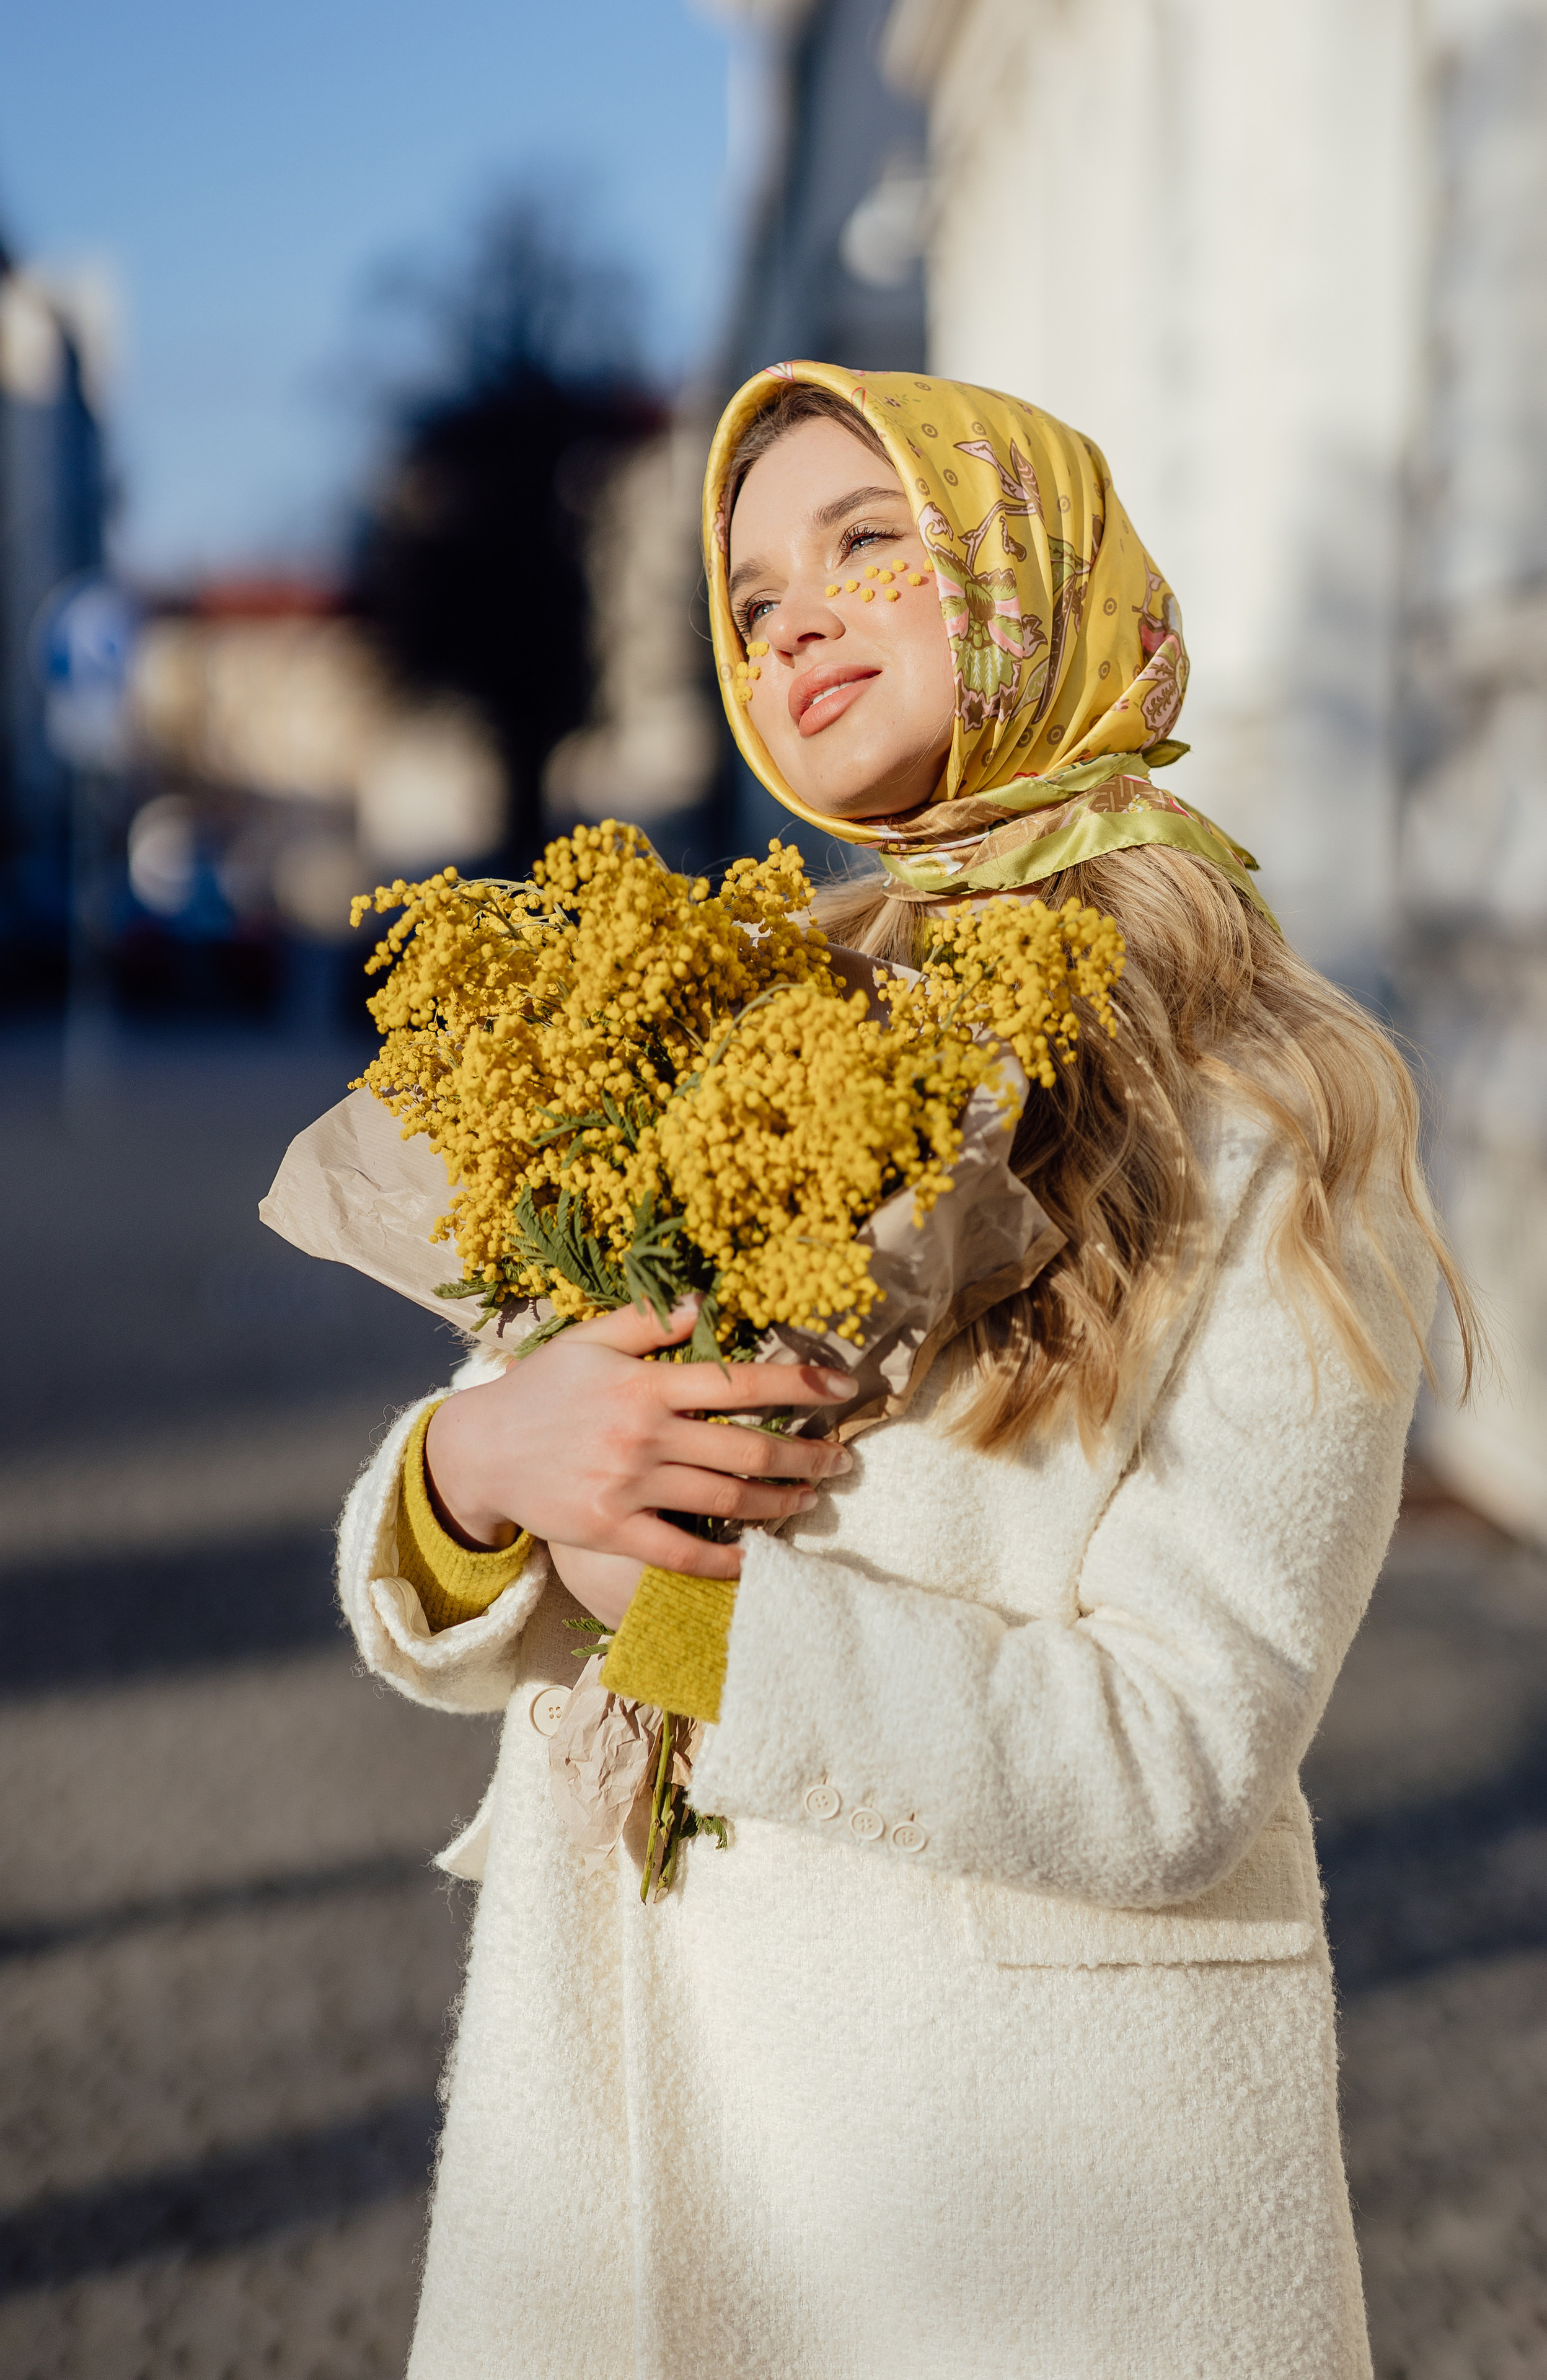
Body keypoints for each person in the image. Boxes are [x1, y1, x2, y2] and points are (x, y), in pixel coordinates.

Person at [336, 363, 1474, 2378]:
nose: (800, 626)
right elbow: (557, 1508)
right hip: (609, 2144)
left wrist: (691, 1615)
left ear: (1028, 576)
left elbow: (1184, 1751)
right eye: (757, 603)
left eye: (870, 544)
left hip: (1010, 2208)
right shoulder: (706, 1018)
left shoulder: (1264, 1108)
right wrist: (482, 1471)